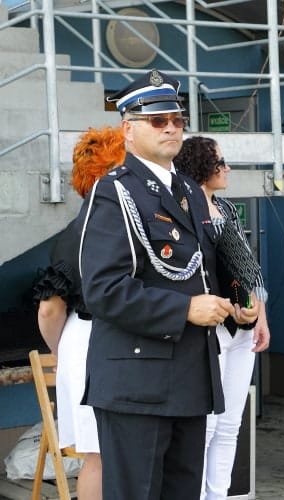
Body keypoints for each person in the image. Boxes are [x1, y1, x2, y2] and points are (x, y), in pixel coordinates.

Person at [78, 69, 257, 500]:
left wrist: (240, 302)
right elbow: (103, 290)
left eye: (177, 120)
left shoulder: (189, 192)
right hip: (137, 382)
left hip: (191, 377)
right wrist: (184, 310)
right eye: (158, 121)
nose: (172, 128)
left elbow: (206, 269)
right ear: (129, 129)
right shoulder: (114, 193)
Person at [173, 136, 269, 500]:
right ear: (200, 166)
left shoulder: (226, 208)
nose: (227, 167)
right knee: (207, 426)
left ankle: (221, 495)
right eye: (220, 161)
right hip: (210, 328)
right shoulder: (184, 211)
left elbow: (250, 269)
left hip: (242, 327)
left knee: (230, 424)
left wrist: (262, 314)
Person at [34, 125, 125, 500]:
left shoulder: (79, 228)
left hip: (89, 340)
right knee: (101, 454)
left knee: (102, 454)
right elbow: (49, 308)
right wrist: (58, 350)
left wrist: (59, 347)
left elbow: (50, 310)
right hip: (91, 340)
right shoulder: (86, 230)